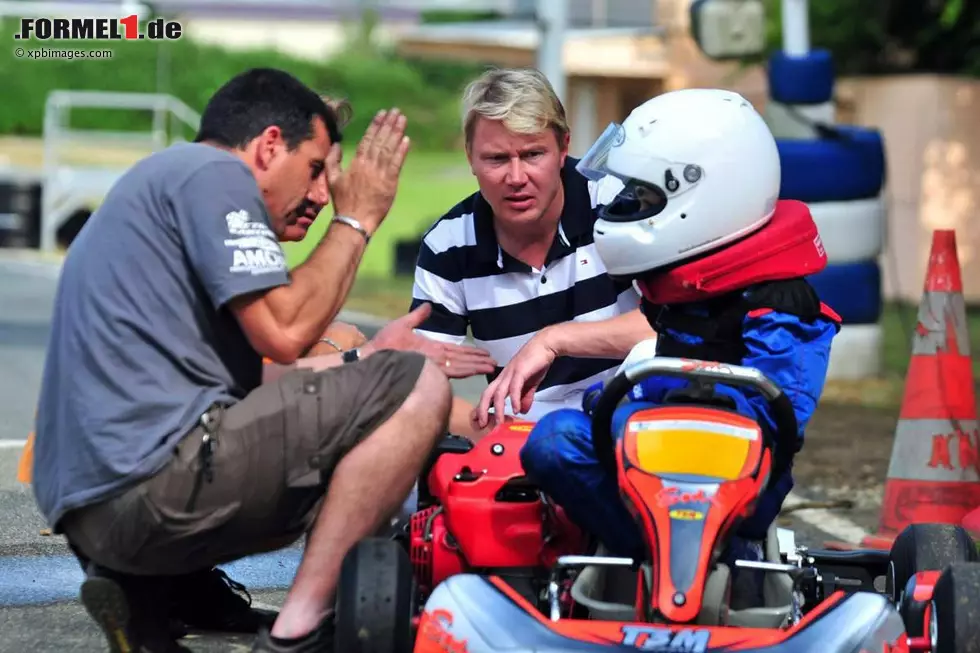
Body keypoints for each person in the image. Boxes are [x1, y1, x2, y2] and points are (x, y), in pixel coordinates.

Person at [30, 67, 492, 653]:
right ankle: (299, 632)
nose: (324, 194)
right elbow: (288, 332)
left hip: (91, 512)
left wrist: (369, 354)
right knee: (416, 386)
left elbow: (265, 377)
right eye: (317, 169)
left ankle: (156, 600)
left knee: (361, 372)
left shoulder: (162, 185)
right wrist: (359, 219)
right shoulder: (215, 174)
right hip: (147, 490)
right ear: (270, 145)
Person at [517, 88, 841, 608]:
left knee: (592, 428)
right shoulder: (688, 284)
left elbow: (778, 417)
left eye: (641, 200)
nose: (625, 209)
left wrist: (651, 411)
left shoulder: (781, 300)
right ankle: (649, 563)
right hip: (652, 452)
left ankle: (699, 575)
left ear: (703, 195)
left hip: (735, 474)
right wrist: (609, 403)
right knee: (550, 441)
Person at [410, 67, 657, 439]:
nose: (516, 177)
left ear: (564, 148)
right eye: (496, 159)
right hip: (522, 442)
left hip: (636, 417)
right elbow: (419, 384)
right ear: (470, 158)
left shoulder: (615, 203)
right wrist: (499, 437)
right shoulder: (447, 246)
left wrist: (553, 340)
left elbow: (675, 326)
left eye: (532, 154)